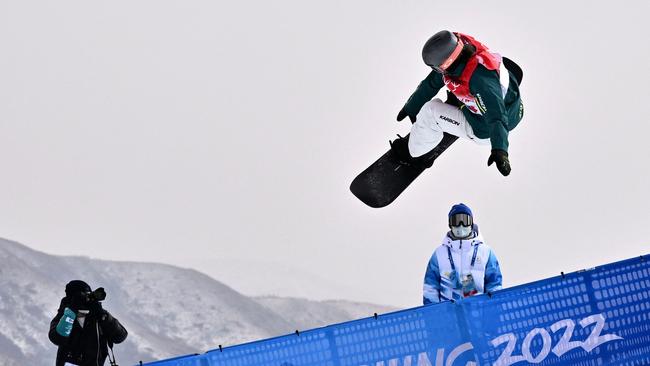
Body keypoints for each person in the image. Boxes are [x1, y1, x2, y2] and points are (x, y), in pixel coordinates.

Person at [393, 30, 524, 176]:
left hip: (487, 130)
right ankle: (461, 103)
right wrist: (411, 107)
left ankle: (415, 155)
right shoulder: (460, 51)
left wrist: (500, 150)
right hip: (512, 109)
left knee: (430, 111)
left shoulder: (479, 81)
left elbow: (496, 116)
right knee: (456, 89)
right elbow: (433, 82)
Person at [423, 203, 502, 304]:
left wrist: (492, 309)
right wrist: (435, 313)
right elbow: (430, 288)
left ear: (471, 223)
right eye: (456, 221)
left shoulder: (485, 252)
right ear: (450, 225)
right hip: (448, 315)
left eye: (465, 220)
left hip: (478, 313)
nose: (461, 225)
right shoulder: (439, 254)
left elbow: (495, 285)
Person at [49, 280, 128, 366]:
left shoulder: (98, 316)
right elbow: (57, 338)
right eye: (83, 295)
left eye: (89, 295)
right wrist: (72, 311)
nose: (87, 299)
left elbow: (120, 336)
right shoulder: (64, 315)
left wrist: (102, 315)